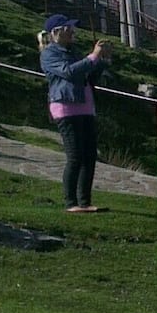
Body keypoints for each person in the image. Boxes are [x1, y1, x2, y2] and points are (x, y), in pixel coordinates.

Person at [41, 14, 110, 213]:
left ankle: (85, 202)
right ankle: (71, 203)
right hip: (65, 107)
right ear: (56, 33)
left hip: (85, 106)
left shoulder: (75, 51)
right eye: (68, 29)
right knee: (75, 156)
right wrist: (92, 57)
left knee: (89, 156)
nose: (73, 32)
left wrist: (102, 61)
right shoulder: (49, 54)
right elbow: (69, 72)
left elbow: (87, 75)